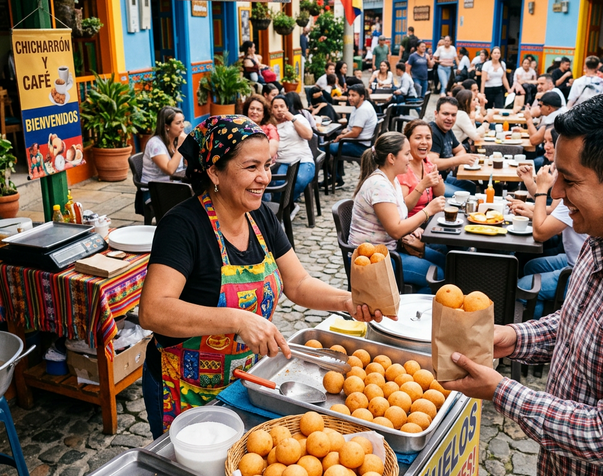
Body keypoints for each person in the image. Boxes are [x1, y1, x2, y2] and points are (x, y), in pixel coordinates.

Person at [442, 92, 603, 476]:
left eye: (569, 181)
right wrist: (510, 338)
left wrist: (500, 391)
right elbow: (573, 324)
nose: (555, 195)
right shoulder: (601, 241)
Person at [139, 114, 383, 436]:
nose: (264, 177)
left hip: (243, 380)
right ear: (214, 171)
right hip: (185, 387)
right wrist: (238, 320)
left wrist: (347, 300)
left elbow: (298, 284)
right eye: (251, 167)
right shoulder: (183, 226)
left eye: (267, 165)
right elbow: (153, 310)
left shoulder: (261, 217)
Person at [349, 132, 446, 288]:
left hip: (389, 250)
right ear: (391, 158)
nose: (410, 158)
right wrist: (427, 211)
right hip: (373, 259)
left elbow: (398, 218)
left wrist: (412, 228)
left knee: (444, 259)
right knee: (438, 275)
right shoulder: (379, 186)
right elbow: (395, 230)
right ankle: (412, 310)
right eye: (406, 154)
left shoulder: (392, 179)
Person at [516, 161, 587, 319]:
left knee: (523, 287)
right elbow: (554, 217)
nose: (554, 192)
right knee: (531, 266)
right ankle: (549, 307)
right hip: (575, 258)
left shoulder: (575, 196)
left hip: (580, 269)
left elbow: (540, 233)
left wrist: (542, 189)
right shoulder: (577, 190)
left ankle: (541, 325)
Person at [329, 84, 378, 187]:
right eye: (349, 95)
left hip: (360, 146)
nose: (350, 98)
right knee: (331, 138)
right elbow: (352, 127)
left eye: (353, 95)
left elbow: (355, 133)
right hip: (360, 141)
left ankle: (334, 178)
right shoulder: (360, 106)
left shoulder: (362, 110)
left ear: (362, 96)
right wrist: (344, 132)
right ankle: (336, 177)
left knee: (329, 147)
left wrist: (340, 137)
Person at [428, 96, 477, 196]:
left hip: (445, 178)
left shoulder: (447, 130)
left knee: (472, 187)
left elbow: (460, 150)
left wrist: (454, 162)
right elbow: (433, 163)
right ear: (436, 114)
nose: (450, 118)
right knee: (466, 195)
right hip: (432, 183)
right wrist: (458, 161)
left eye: (453, 115)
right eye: (445, 114)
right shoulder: (432, 132)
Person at [270, 96, 315, 201]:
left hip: (303, 161)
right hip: (282, 162)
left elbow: (308, 135)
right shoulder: (271, 126)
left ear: (287, 108)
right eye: (275, 107)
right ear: (271, 110)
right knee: (279, 184)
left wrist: (292, 118)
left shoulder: (298, 118)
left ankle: (284, 207)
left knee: (299, 180)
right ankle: (282, 209)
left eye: (282, 106)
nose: (279, 109)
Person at [397, 119, 445, 218]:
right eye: (418, 138)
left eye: (428, 138)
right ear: (407, 141)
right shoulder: (402, 168)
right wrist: (422, 185)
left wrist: (437, 179)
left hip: (428, 218)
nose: (424, 142)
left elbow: (440, 194)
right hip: (411, 224)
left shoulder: (426, 161)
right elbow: (403, 208)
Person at [141, 107, 186, 202]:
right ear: (166, 127)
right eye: (178, 123)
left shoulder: (176, 140)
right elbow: (169, 170)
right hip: (155, 192)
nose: (182, 126)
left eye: (183, 121)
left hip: (176, 187)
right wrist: (180, 147)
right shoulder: (155, 144)